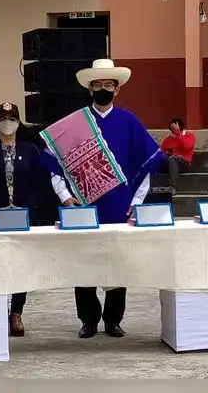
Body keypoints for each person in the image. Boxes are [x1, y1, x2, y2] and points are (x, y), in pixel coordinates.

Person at [41, 59, 163, 339]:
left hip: (120, 205)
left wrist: (137, 202)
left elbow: (144, 165)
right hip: (83, 206)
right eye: (98, 85)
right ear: (90, 89)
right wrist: (65, 197)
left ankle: (113, 320)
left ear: (117, 90)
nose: (103, 89)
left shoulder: (129, 121)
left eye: (108, 85)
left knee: (117, 263)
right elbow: (56, 164)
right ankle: (88, 319)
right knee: (83, 262)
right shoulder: (75, 123)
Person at [0, 102, 64, 337]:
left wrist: (26, 207)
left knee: (20, 267)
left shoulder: (30, 149)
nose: (7, 122)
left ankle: (16, 313)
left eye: (11, 118)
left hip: (24, 217)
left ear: (19, 121)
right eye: (2, 117)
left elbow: (42, 183)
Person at [159, 117, 195, 196]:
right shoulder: (167, 140)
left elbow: (187, 147)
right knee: (158, 158)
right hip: (170, 163)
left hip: (184, 163)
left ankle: (172, 186)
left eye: (175, 130)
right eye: (172, 130)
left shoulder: (190, 136)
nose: (173, 133)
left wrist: (178, 134)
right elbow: (161, 152)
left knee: (173, 158)